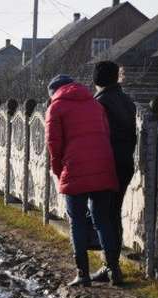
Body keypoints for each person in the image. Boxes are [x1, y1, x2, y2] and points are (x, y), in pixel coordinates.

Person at [45, 74, 122, 287]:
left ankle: (83, 273)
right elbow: (105, 134)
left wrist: (59, 171)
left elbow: (54, 144)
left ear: (54, 93)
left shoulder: (56, 107)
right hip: (103, 167)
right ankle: (113, 270)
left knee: (77, 221)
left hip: (75, 168)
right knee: (103, 219)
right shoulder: (95, 104)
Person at [91, 61, 137, 282]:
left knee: (103, 215)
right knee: (113, 213)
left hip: (106, 165)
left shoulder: (100, 103)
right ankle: (111, 264)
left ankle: (111, 267)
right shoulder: (128, 101)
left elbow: (97, 136)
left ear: (97, 80)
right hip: (125, 164)